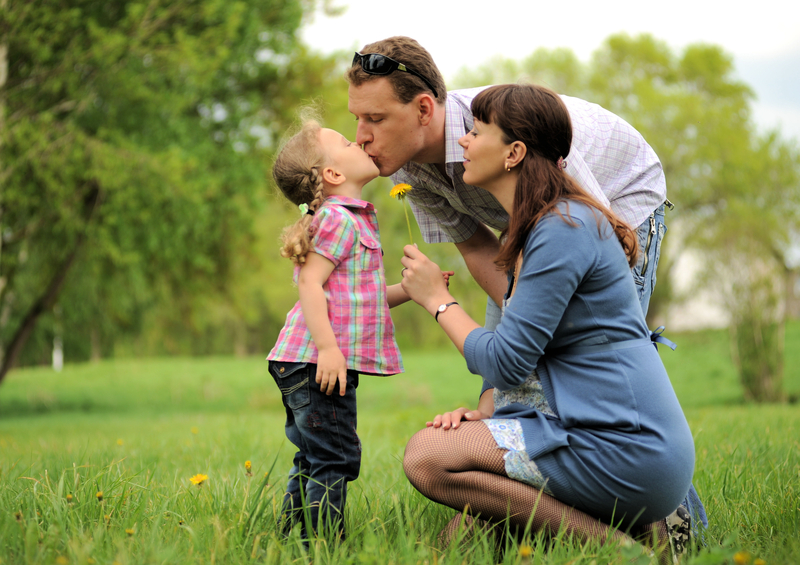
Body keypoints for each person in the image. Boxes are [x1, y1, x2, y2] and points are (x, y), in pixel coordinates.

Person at [346, 35, 707, 535]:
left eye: (375, 118)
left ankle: (669, 527)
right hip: (526, 232)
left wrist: (440, 302)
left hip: (619, 197)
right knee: (522, 375)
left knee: (590, 359)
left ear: (424, 109)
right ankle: (549, 514)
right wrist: (496, 403)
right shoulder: (411, 169)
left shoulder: (560, 205)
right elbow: (478, 250)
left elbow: (587, 230)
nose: (360, 136)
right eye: (357, 119)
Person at [267, 119, 410, 539]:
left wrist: (413, 290)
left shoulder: (346, 219)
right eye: (348, 142)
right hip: (317, 362)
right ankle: (324, 545)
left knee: (315, 457)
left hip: (304, 361)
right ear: (332, 173)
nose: (359, 140)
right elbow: (310, 283)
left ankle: (292, 538)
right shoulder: (339, 219)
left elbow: (360, 298)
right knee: (335, 458)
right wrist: (329, 349)